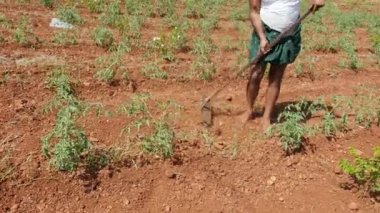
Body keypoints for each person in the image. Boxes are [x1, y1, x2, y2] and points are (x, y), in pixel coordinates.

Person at [244, 0, 325, 130]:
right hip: (265, 31)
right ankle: (248, 110)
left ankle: (266, 117)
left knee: (276, 77)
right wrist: (262, 38)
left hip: (289, 33)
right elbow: (254, 11)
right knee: (255, 74)